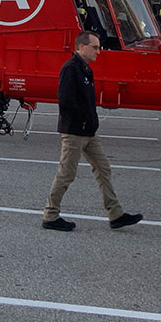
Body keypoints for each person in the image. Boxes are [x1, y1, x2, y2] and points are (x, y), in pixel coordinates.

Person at [43, 30, 143, 233]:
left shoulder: (86, 69)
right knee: (66, 174)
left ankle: (115, 214)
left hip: (88, 132)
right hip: (74, 131)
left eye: (99, 47)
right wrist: (82, 120)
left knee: (103, 167)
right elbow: (65, 101)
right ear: (81, 47)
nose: (99, 51)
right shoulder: (70, 69)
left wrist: (91, 121)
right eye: (95, 47)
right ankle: (50, 216)